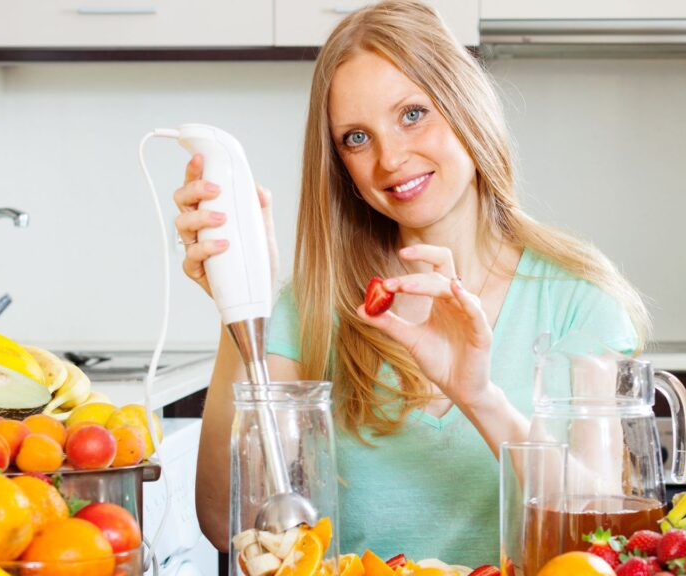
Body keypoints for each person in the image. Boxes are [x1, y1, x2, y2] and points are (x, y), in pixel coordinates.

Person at [175, 0, 649, 566]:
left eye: (412, 114)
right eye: (356, 138)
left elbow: (596, 536)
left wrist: (479, 397)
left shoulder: (578, 299)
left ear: (464, 104)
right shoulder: (315, 304)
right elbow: (225, 523)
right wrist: (243, 310)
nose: (391, 158)